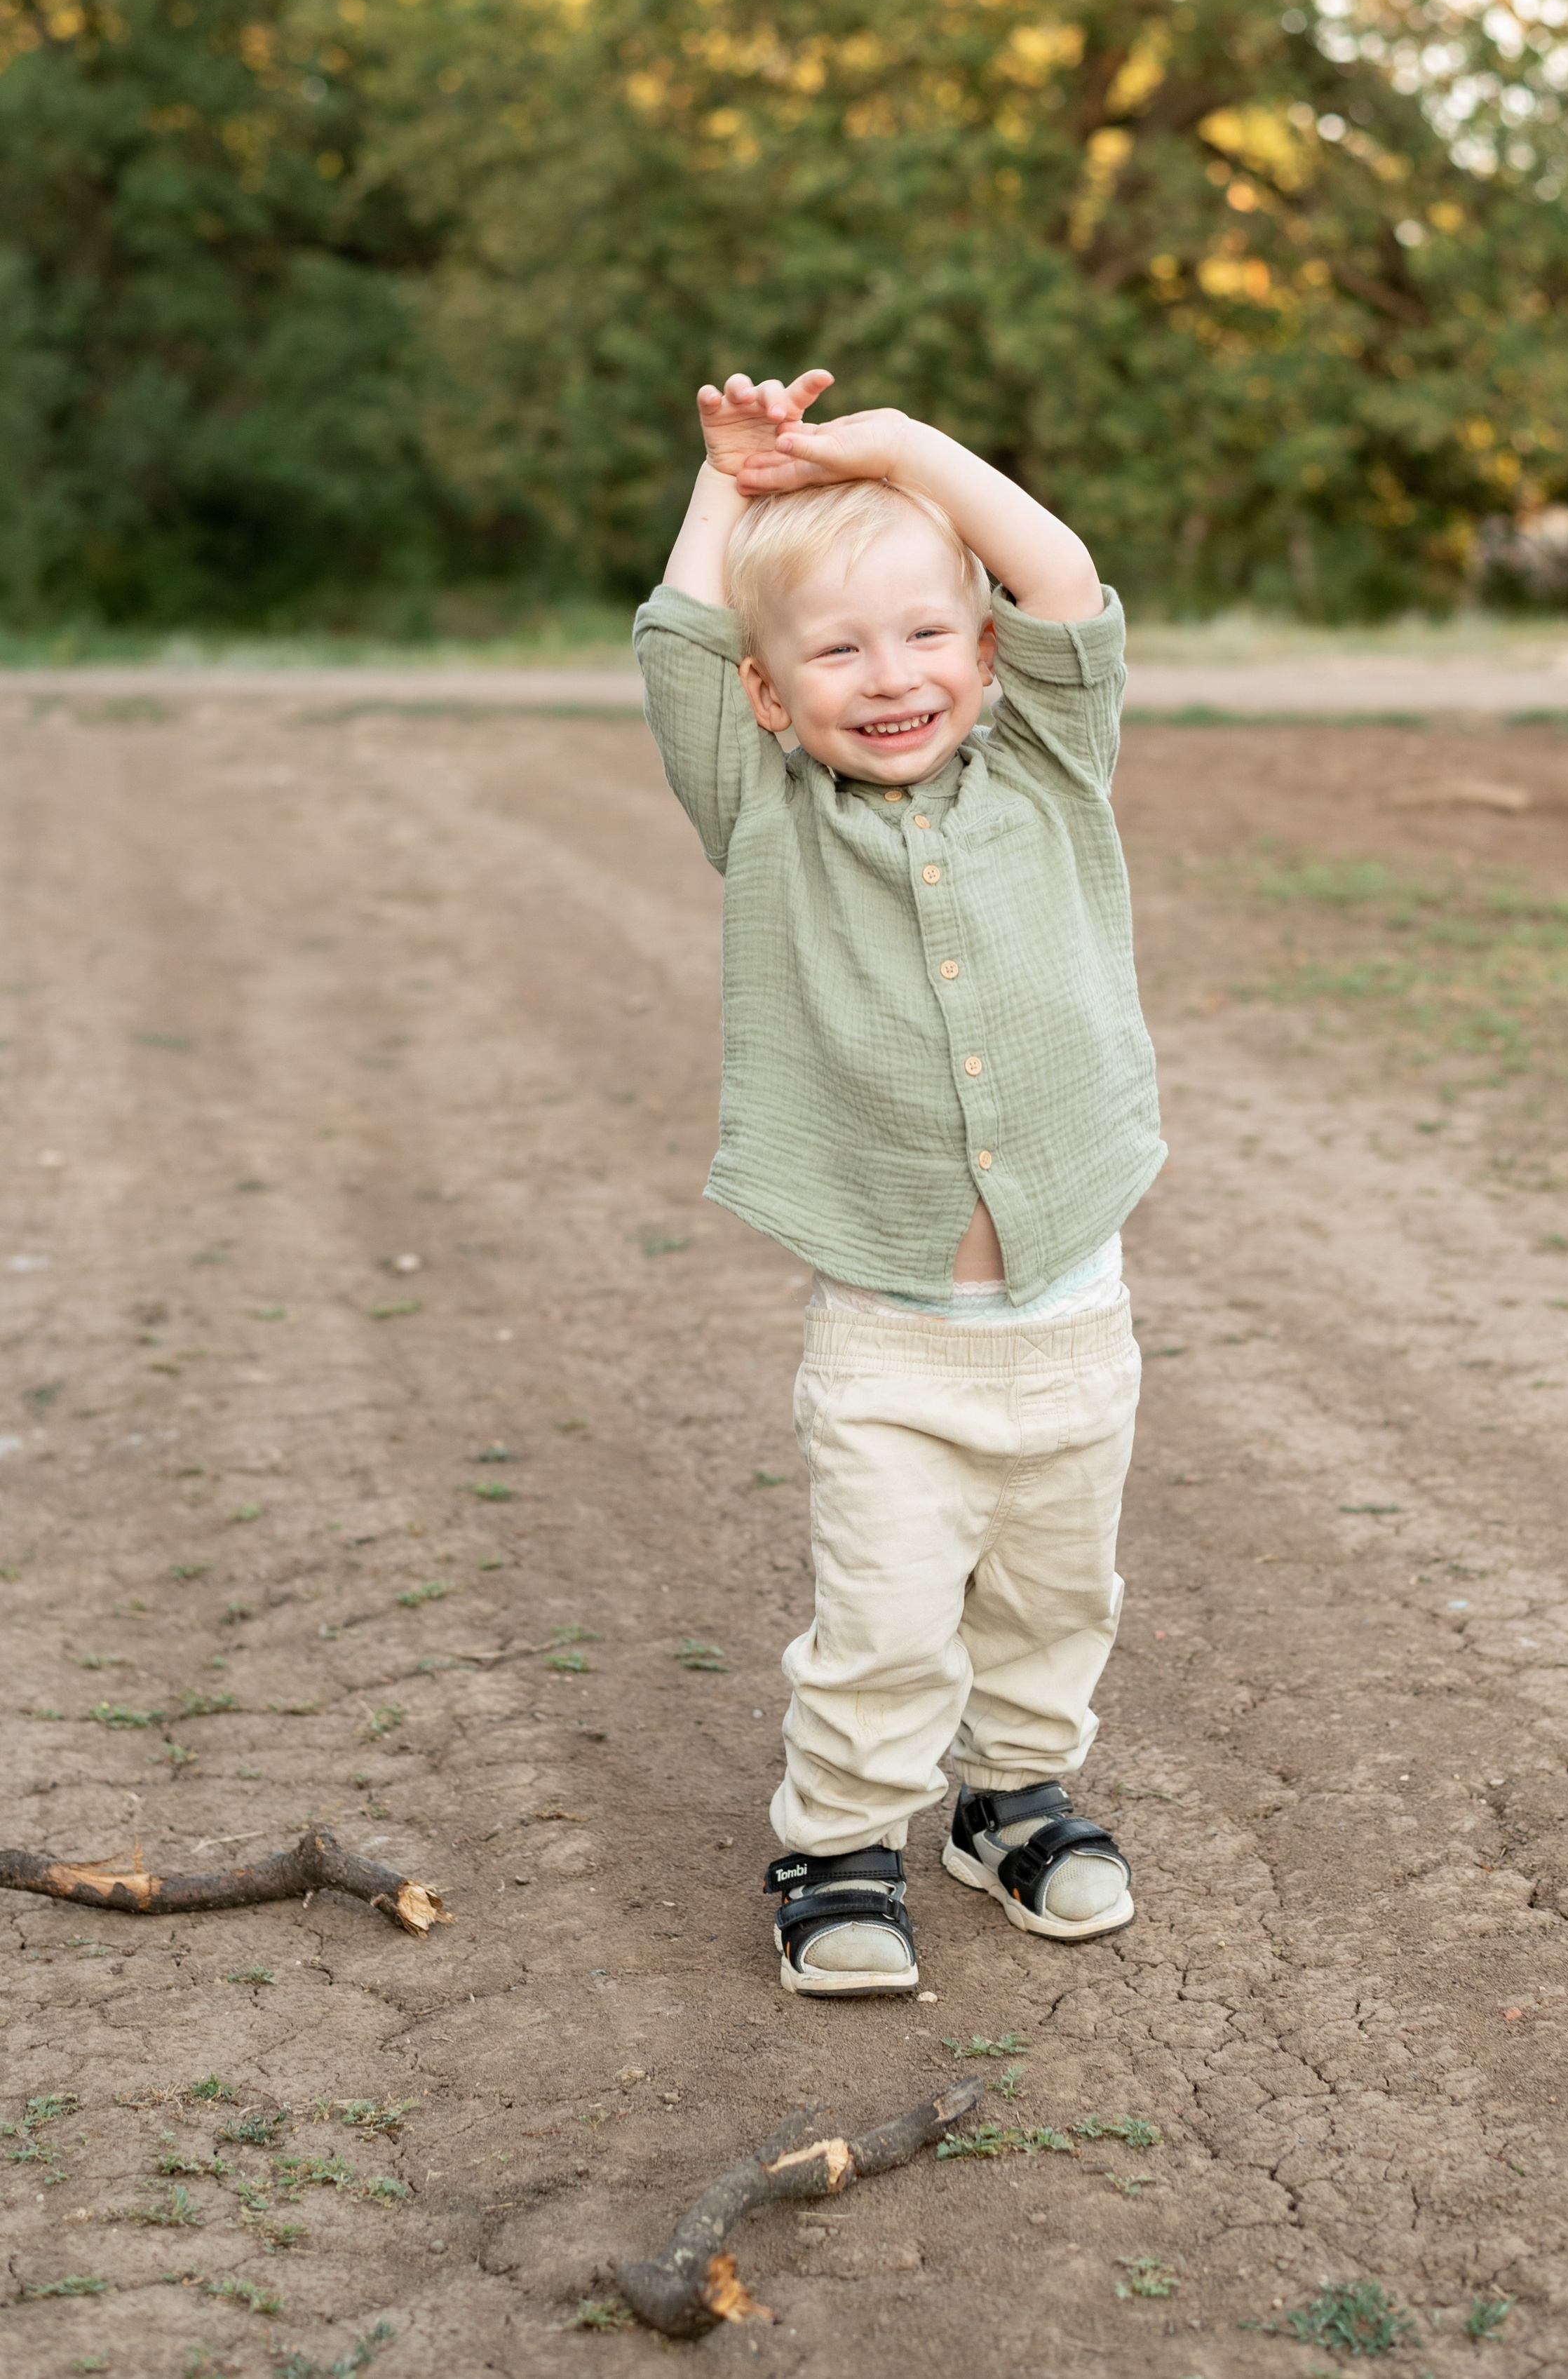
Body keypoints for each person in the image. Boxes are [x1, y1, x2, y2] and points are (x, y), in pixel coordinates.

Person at [635, 368, 1165, 1996]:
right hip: (892, 1334)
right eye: (837, 651)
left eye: (927, 636)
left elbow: (1061, 575)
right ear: (771, 696)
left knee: (1053, 1597)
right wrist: (730, 486)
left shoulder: (1051, 768)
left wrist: (899, 453)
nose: (891, 676)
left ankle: (1008, 1803)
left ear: (984, 655)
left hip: (1073, 1308)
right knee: (880, 1617)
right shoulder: (765, 814)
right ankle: (842, 1838)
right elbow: (672, 639)